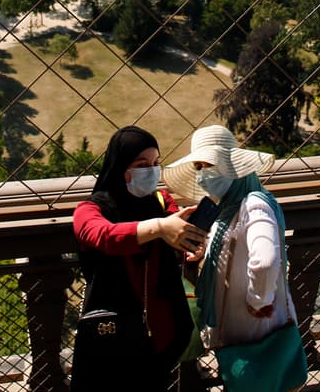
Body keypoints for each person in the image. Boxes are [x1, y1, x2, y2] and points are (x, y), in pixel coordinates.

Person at [163, 125, 304, 390]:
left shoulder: (254, 204)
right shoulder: (229, 207)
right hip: (242, 334)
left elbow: (265, 261)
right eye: (199, 167)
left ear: (233, 166)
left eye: (210, 165)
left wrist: (258, 300)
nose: (204, 175)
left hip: (257, 331)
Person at [72, 125, 206, 391]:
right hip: (115, 339)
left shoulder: (160, 200)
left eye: (156, 163)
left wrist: (189, 247)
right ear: (121, 166)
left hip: (162, 336)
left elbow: (173, 237)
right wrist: (157, 227)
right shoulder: (91, 209)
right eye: (142, 164)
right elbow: (105, 236)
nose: (152, 170)